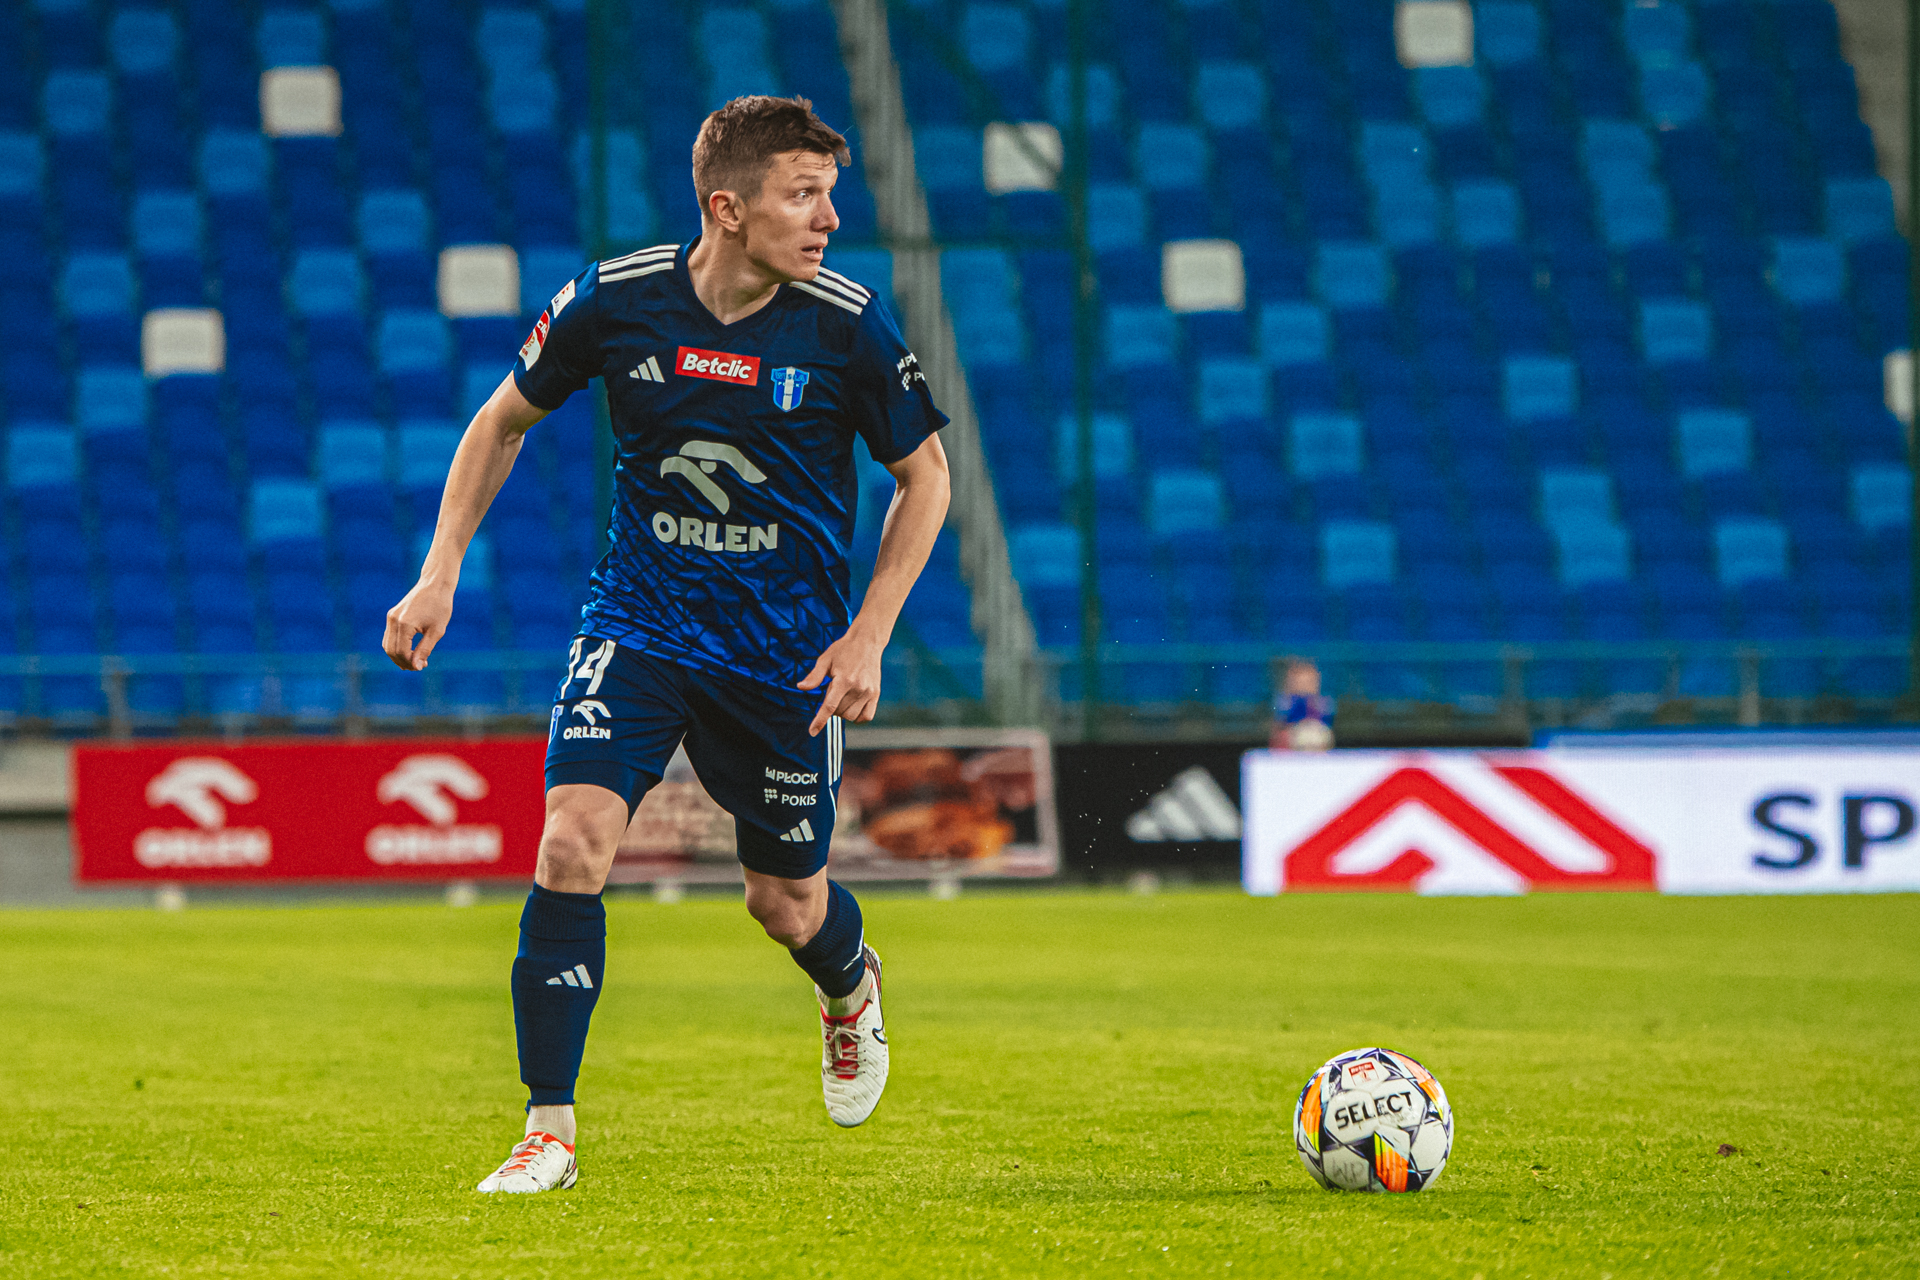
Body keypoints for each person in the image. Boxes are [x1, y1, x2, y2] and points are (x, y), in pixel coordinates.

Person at [382, 96, 951, 1194]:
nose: (829, 218)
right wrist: (440, 568)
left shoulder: (848, 324)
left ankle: (848, 985)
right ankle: (549, 1130)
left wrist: (869, 632)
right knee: (569, 845)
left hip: (784, 658)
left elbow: (924, 478)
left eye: (830, 194)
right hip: (638, 625)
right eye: (804, 194)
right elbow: (501, 420)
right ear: (727, 208)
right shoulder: (615, 299)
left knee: (783, 904)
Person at [1270, 658, 1334, 752]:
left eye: (1308, 681)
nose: (1304, 686)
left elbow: (1328, 731)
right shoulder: (1284, 702)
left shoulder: (1324, 703)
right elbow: (1278, 729)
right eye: (1300, 681)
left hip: (1318, 748)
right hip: (1289, 749)